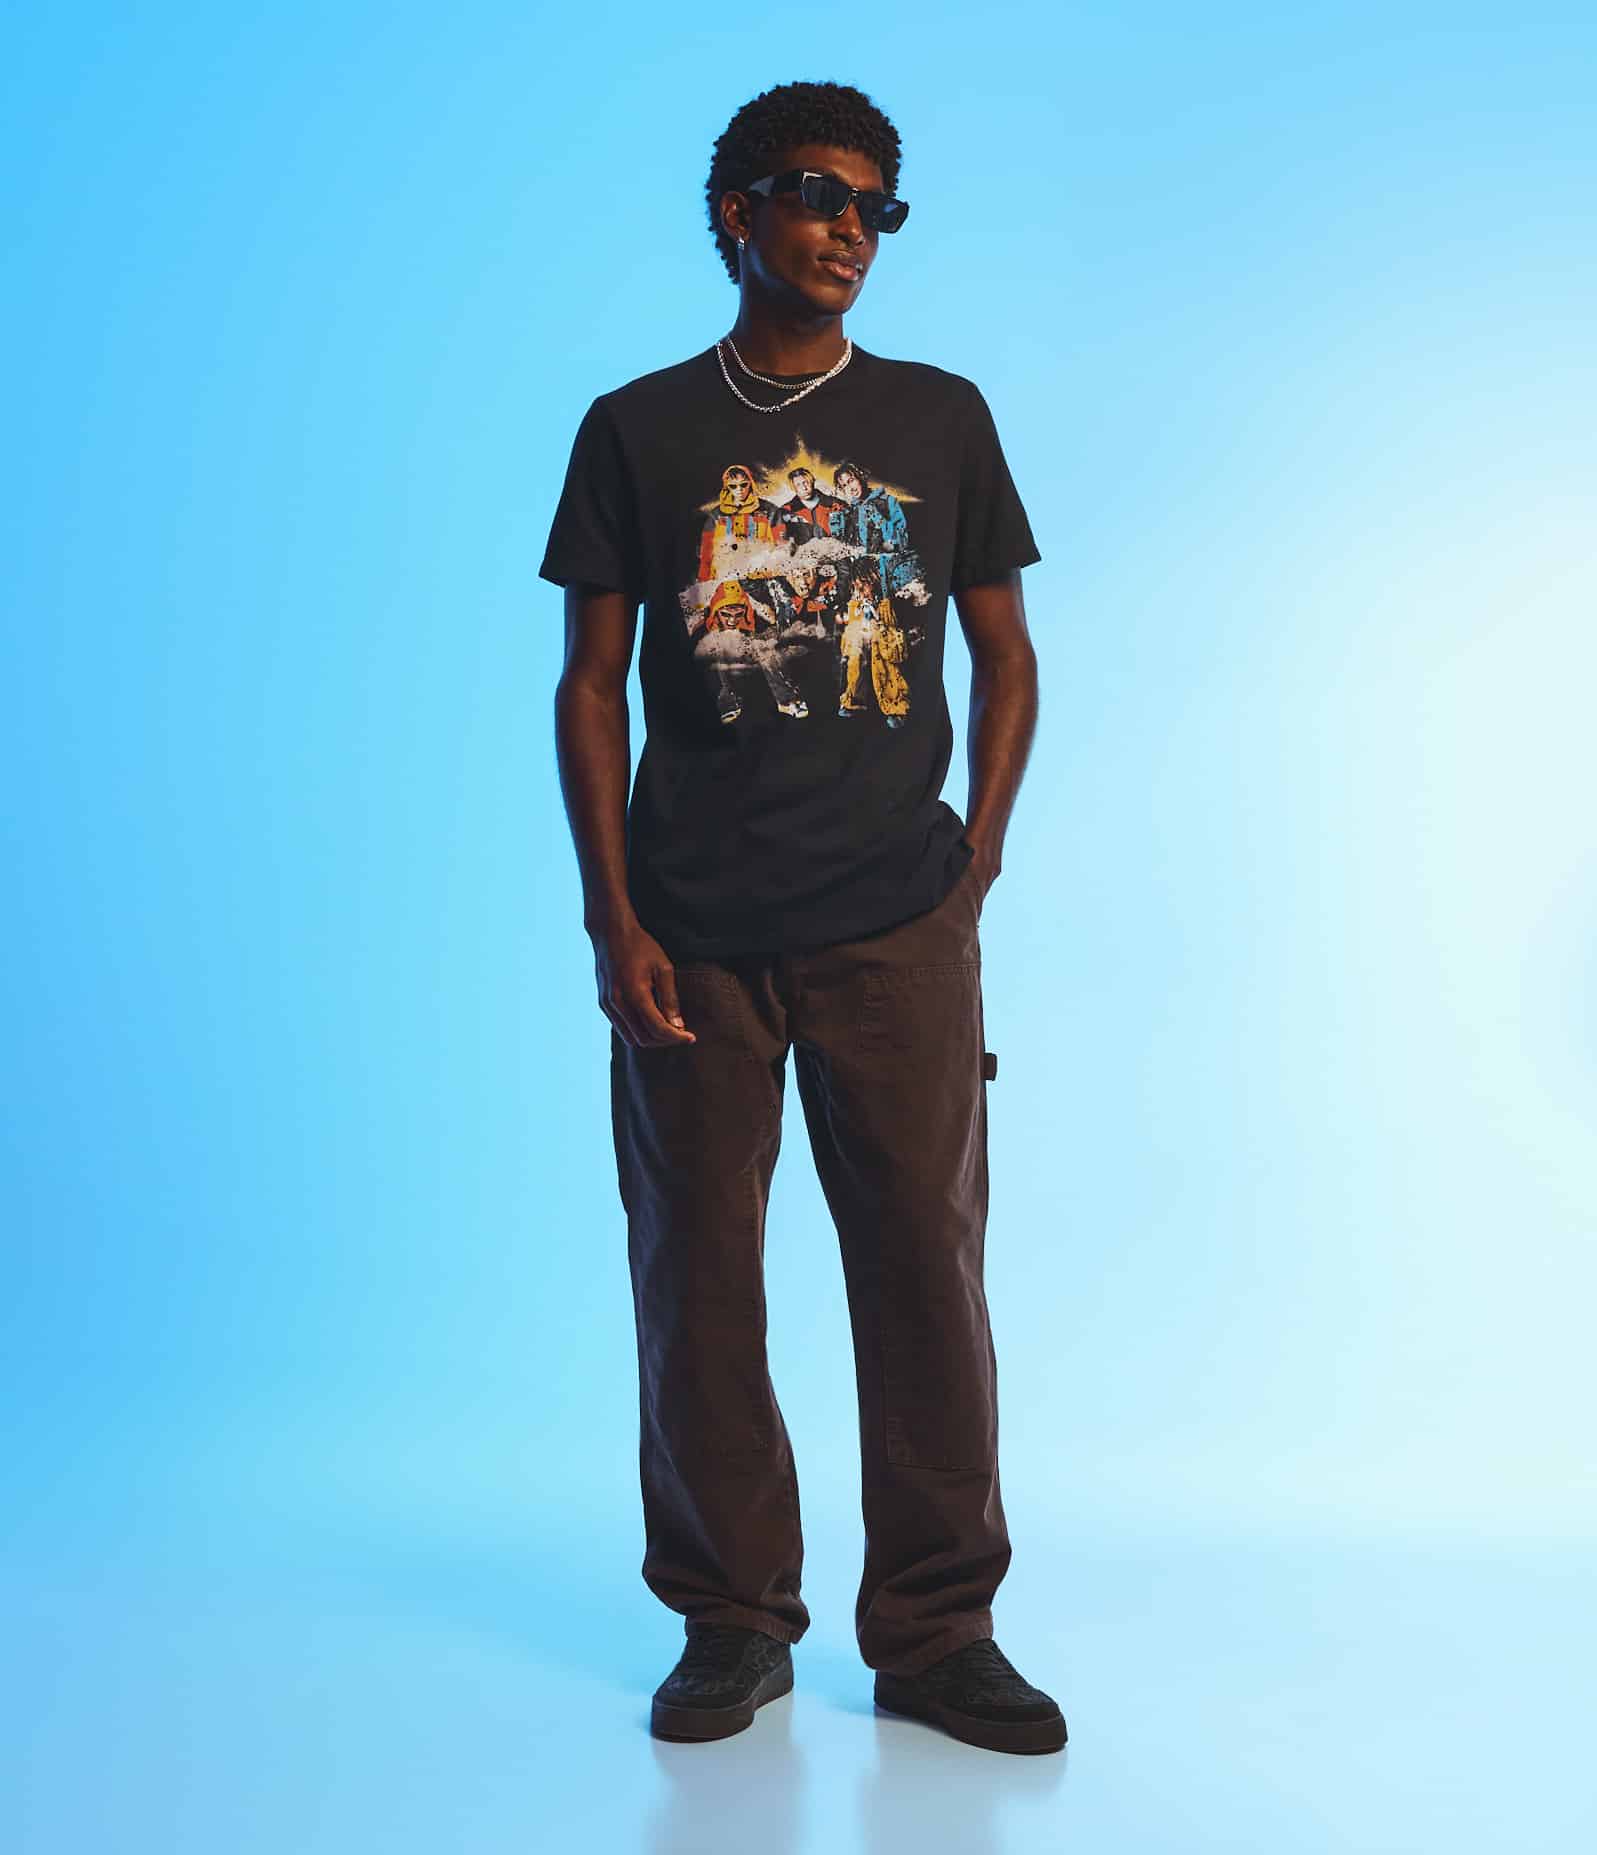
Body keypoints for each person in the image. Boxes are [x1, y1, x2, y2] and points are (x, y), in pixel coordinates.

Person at [539, 79, 1064, 1756]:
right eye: (820, 195)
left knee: (924, 1273)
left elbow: (1006, 654)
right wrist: (614, 918)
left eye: (876, 208)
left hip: (895, 923)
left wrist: (975, 864)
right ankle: (729, 1621)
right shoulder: (637, 429)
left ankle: (937, 1633)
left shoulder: (939, 416)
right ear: (737, 214)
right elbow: (589, 685)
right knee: (696, 1275)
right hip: (691, 931)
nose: (850, 229)